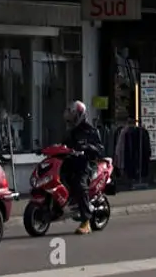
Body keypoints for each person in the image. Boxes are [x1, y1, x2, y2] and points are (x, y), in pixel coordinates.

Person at [62, 100, 104, 235]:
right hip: (71, 162)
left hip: (86, 164)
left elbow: (100, 149)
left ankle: (86, 222)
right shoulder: (70, 132)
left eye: (73, 117)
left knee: (80, 183)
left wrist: (88, 147)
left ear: (79, 115)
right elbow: (63, 146)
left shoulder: (90, 130)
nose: (71, 120)